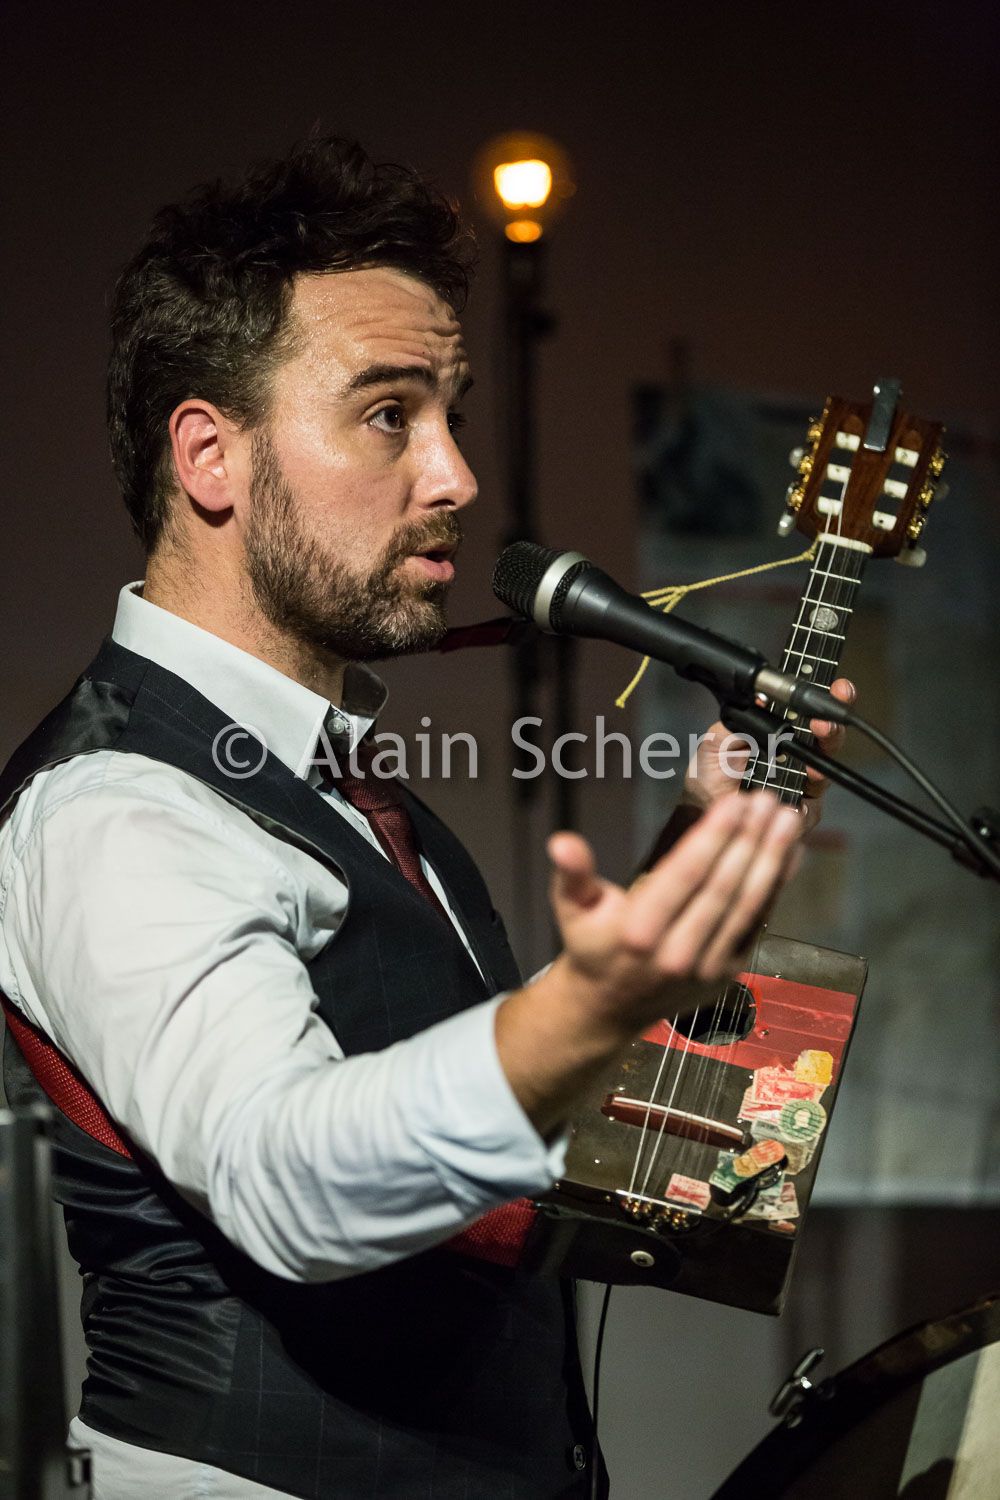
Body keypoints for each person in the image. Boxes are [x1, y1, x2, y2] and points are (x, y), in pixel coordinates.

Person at [0, 137, 852, 1500]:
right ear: (210, 457)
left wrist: (702, 866)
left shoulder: (361, 802)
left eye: (451, 414)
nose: (455, 476)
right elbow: (284, 1177)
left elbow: (586, 1172)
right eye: (390, 415)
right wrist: (575, 1009)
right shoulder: (116, 804)